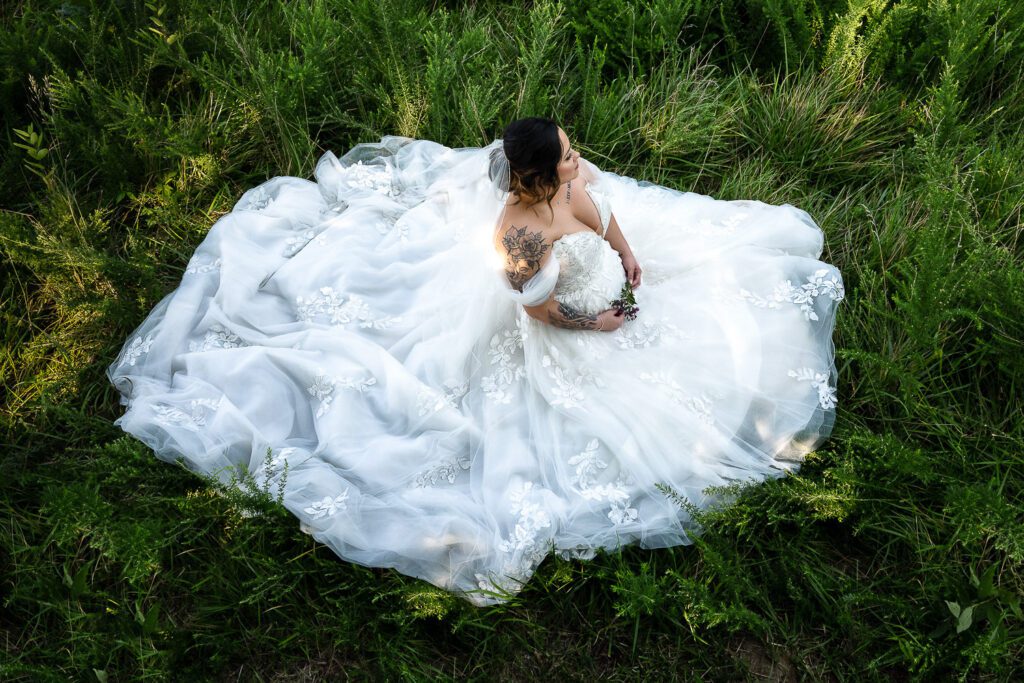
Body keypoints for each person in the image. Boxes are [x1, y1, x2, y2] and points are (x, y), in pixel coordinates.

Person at [108, 116, 843, 605]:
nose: (578, 158)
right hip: (552, 321)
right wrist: (597, 323)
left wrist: (624, 251)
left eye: (571, 146)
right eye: (565, 155)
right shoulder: (518, 238)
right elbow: (540, 310)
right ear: (532, 180)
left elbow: (599, 209)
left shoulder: (569, 183)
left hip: (587, 273)